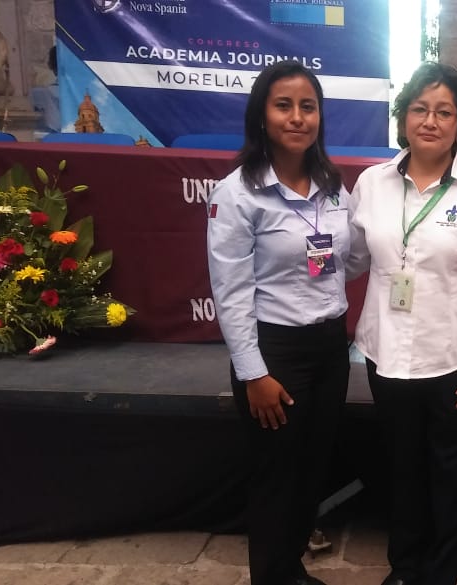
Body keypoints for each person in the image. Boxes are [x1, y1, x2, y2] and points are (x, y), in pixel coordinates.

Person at [346, 62, 457, 585]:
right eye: (420, 109)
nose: (431, 121)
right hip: (386, 355)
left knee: (450, 474)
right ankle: (404, 567)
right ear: (404, 118)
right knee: (402, 469)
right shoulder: (371, 184)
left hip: (453, 361)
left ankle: (441, 573)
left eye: (444, 112)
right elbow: (352, 258)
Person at [206, 60, 350, 585]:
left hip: (330, 349)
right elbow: (230, 290)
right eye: (283, 106)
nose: (297, 118)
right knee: (276, 477)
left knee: (311, 470)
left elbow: (349, 257)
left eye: (308, 107)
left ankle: (291, 571)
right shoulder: (238, 193)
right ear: (262, 116)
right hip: (276, 354)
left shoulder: (332, 186)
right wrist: (254, 373)